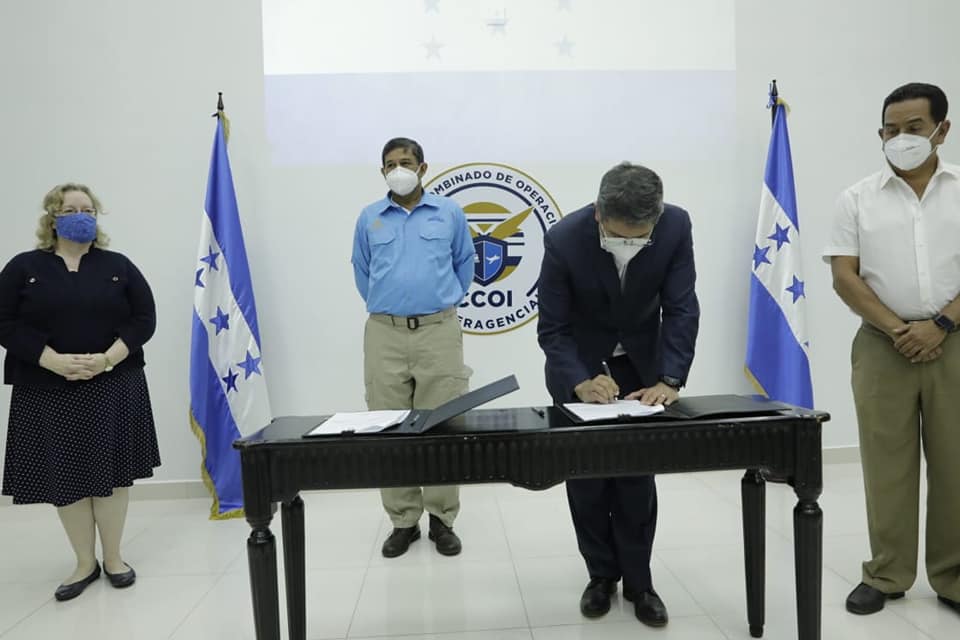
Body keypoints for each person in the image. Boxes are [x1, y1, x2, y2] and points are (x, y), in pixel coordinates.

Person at [537, 162, 699, 627]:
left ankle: (640, 582)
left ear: (658, 216)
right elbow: (553, 328)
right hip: (581, 366)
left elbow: (682, 307)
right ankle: (600, 577)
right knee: (586, 477)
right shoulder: (564, 239)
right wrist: (580, 380)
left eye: (639, 235)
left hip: (642, 366)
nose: (630, 243)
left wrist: (670, 379)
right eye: (619, 234)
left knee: (635, 478)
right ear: (598, 215)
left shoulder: (675, 226)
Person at [825, 82, 960, 616]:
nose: (900, 138)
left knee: (955, 465)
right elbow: (844, 276)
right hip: (883, 347)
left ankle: (952, 576)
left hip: (955, 343)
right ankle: (886, 574)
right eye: (890, 130)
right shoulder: (856, 198)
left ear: (941, 130)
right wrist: (902, 329)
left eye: (913, 128)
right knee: (887, 464)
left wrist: (942, 325)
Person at [0, 183, 160, 601]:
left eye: (88, 209)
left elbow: (145, 318)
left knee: (111, 475)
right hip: (46, 388)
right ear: (52, 217)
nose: (81, 215)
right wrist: (48, 358)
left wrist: (108, 357)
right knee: (65, 476)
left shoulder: (117, 265)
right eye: (71, 208)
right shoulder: (23, 267)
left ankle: (113, 558)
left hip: (113, 383)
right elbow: (4, 322)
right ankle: (83, 562)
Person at [351, 137, 475, 558]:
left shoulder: (449, 213)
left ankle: (442, 519)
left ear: (423, 168)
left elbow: (465, 263)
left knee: (442, 425)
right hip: (384, 333)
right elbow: (362, 271)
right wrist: (393, 304)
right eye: (390, 164)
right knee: (388, 427)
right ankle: (404, 520)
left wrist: (438, 300)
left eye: (406, 162)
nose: (397, 169)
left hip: (438, 332)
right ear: (382, 171)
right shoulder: (370, 218)